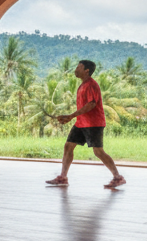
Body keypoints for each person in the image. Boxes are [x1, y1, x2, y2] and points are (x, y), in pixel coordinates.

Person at [46, 59, 125, 189]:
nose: (76, 70)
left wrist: (71, 116)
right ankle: (63, 177)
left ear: (86, 71)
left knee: (98, 152)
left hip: (94, 123)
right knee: (68, 146)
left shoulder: (91, 85)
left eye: (78, 67)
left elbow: (91, 104)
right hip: (81, 123)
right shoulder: (82, 85)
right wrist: (72, 117)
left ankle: (118, 177)